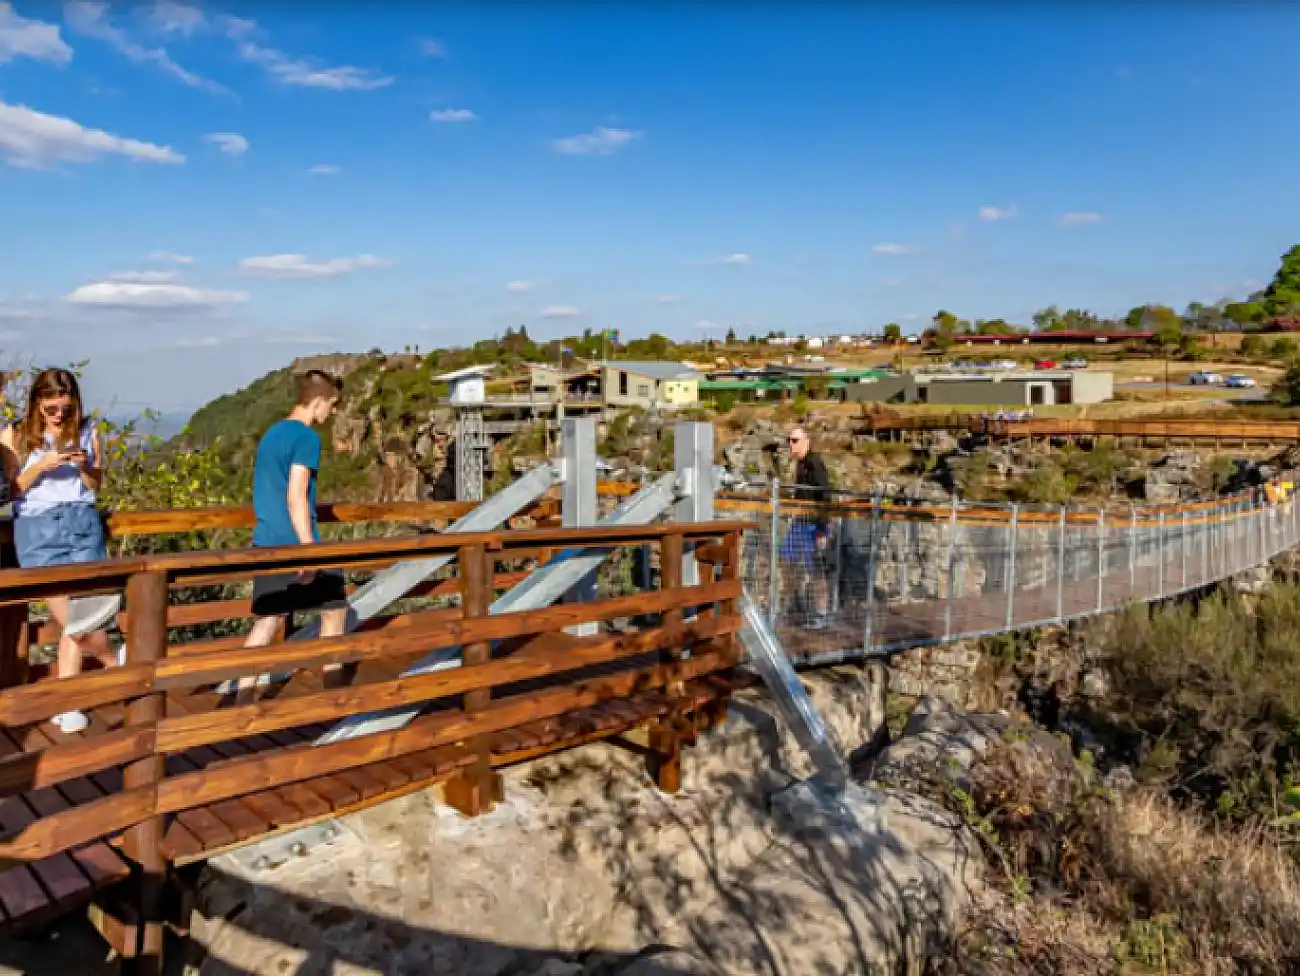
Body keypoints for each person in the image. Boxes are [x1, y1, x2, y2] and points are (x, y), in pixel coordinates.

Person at [0, 368, 118, 733]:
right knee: (74, 616)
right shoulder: (15, 435)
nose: (59, 415)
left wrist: (85, 468)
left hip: (82, 521)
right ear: (37, 402)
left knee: (83, 612)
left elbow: (96, 485)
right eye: (52, 408)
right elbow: (12, 490)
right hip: (38, 528)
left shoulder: (86, 430)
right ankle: (118, 661)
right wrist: (43, 465)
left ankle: (68, 704)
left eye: (65, 408)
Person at [236, 370, 349, 703]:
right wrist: (308, 548)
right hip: (296, 541)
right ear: (317, 401)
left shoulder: (272, 433)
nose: (332, 412)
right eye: (331, 404)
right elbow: (296, 494)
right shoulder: (306, 438)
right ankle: (335, 698)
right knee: (335, 611)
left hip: (266, 539)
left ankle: (242, 702)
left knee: (268, 620)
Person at [780, 425, 833, 629]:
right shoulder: (800, 464)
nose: (790, 444)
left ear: (806, 442)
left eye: (794, 440)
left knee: (816, 569)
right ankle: (789, 606)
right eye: (789, 440)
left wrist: (822, 529)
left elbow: (826, 495)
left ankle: (821, 613)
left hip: (813, 524)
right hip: (800, 522)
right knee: (786, 559)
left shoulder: (814, 463)